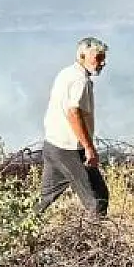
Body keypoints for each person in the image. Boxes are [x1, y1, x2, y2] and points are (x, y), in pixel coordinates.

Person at [37, 36, 110, 218]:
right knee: (97, 199)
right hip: (69, 150)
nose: (102, 62)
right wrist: (88, 147)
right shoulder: (80, 81)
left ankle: (15, 233)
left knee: (44, 200)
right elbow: (73, 113)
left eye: (103, 58)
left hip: (53, 145)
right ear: (83, 56)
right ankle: (98, 243)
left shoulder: (66, 73)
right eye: (98, 58)